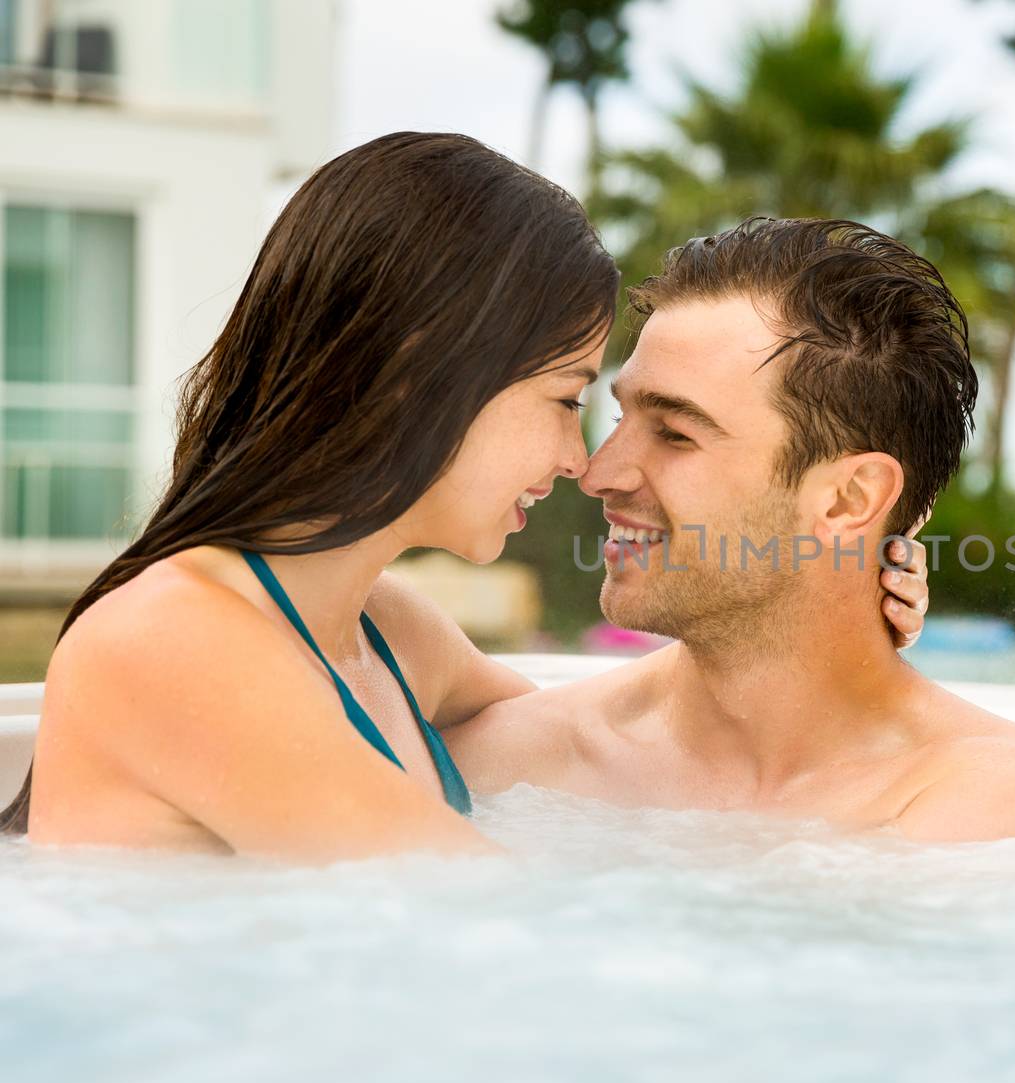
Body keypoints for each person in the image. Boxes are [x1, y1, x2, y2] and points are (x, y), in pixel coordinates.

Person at [1, 134, 928, 861]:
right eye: (567, 400)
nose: (581, 461)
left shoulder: (385, 632)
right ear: (420, 377)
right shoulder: (176, 645)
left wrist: (821, 591)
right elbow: (492, 931)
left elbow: (607, 742)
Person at [448, 218, 1015, 842]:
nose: (599, 474)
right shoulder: (513, 763)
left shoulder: (996, 810)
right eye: (618, 417)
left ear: (849, 498)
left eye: (675, 433)